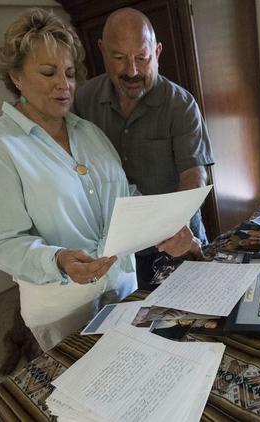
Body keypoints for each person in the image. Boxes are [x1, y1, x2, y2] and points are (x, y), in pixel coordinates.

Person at [0, 9, 199, 352]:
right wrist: (57, 260)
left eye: (70, 73)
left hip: (122, 283)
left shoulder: (89, 132)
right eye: (48, 73)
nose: (64, 85)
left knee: (135, 365)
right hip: (63, 304)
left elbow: (124, 194)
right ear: (16, 76)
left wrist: (165, 225)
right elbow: (0, 243)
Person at [72, 8, 214, 286]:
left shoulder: (180, 104)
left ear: (157, 52)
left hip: (174, 233)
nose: (132, 70)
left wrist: (179, 223)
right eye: (119, 58)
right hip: (116, 241)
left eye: (141, 57)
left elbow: (194, 173)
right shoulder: (83, 99)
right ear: (101, 51)